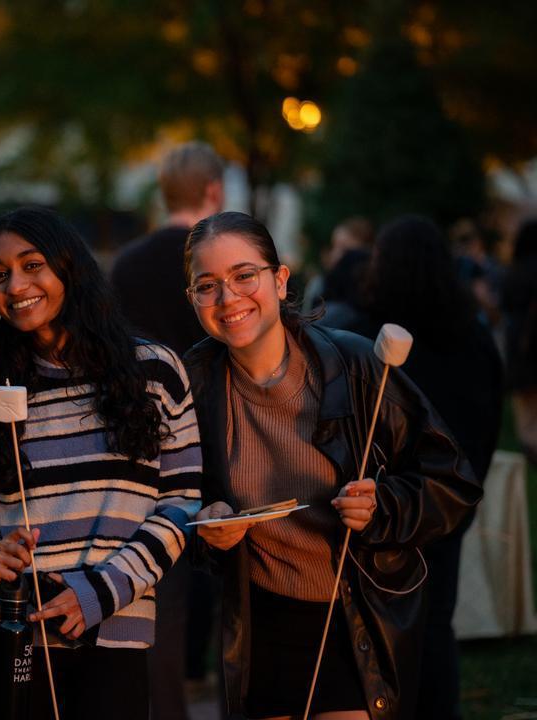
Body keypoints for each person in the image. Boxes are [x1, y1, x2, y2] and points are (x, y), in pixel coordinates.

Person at [181, 211, 482, 720]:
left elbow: (452, 483)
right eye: (207, 285)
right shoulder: (192, 384)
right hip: (259, 627)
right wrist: (204, 526)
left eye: (244, 275)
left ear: (279, 280)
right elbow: (170, 503)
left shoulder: (356, 365)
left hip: (355, 622)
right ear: (192, 298)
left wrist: (384, 506)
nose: (228, 297)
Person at [0, 206, 202, 720]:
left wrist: (98, 593)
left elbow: (181, 504)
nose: (15, 285)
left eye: (31, 265)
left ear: (69, 267)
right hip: (9, 635)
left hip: (113, 631)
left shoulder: (154, 371)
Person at [350, 215, 502, 720]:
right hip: (446, 501)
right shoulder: (473, 337)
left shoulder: (366, 338)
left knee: (388, 623)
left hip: (391, 503)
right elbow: (488, 419)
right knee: (436, 622)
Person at [110, 140, 224, 718]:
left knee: (162, 589)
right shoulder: (220, 262)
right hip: (219, 433)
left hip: (147, 441)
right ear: (214, 192)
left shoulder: (128, 264)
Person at [503, 219, 537, 465]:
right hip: (532, 344)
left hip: (518, 346)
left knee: (524, 409)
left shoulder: (514, 272)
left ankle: (528, 452)